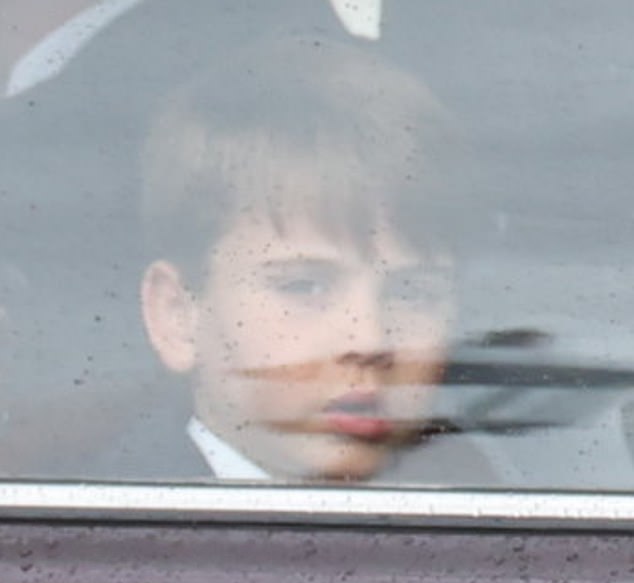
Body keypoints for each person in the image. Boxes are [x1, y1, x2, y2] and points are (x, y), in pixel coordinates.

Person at [137, 34, 468, 482]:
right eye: (303, 285)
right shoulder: (89, 540)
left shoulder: (497, 513)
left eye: (413, 293)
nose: (369, 342)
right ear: (177, 317)